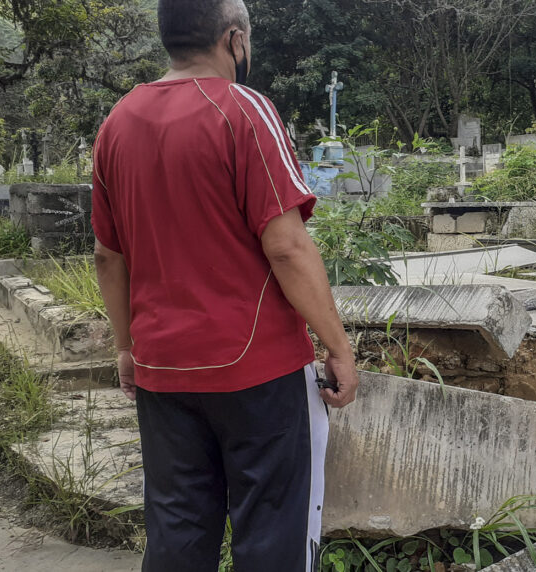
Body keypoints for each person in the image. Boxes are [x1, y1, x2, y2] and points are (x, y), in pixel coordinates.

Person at [91, 1, 358, 570]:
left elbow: (107, 257)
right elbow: (286, 245)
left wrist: (125, 348)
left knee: (177, 531)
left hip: (163, 369)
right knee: (273, 532)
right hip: (256, 368)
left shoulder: (118, 122)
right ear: (234, 40)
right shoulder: (243, 110)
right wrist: (337, 345)